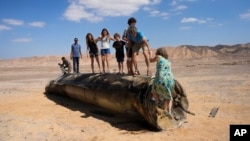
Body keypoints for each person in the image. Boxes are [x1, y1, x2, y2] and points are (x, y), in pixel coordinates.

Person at [149, 47, 175, 118]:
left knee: (154, 90)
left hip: (160, 79)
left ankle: (157, 104)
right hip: (170, 80)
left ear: (159, 52)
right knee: (169, 97)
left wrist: (150, 54)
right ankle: (169, 112)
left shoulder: (158, 57)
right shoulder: (168, 61)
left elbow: (150, 60)